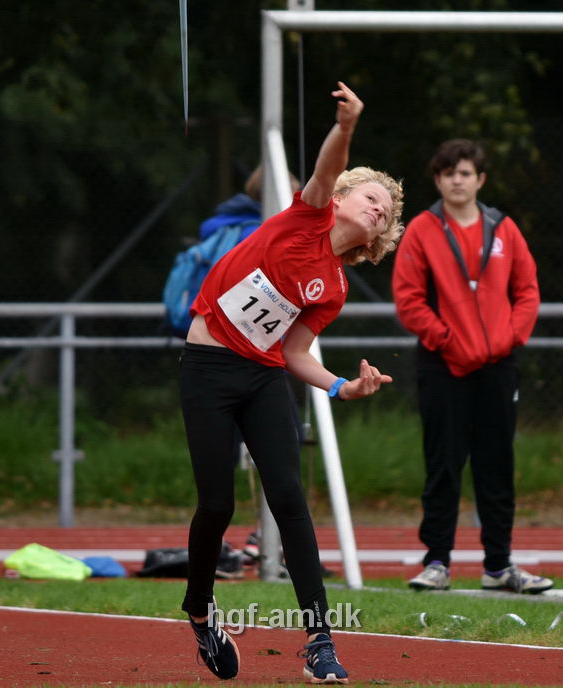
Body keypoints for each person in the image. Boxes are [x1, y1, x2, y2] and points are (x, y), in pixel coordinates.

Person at [180, 81, 404, 682]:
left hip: (263, 376)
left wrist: (339, 387)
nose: (378, 207)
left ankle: (321, 641)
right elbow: (328, 166)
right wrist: (347, 126)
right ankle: (200, 614)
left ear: (379, 237)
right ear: (346, 195)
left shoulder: (334, 288)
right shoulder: (308, 213)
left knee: (290, 500)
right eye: (371, 196)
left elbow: (296, 350)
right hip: (208, 368)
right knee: (218, 504)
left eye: (385, 210)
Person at [392, 139, 553, 595]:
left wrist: (507, 338)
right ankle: (437, 562)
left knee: (496, 465)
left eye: (464, 173)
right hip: (443, 366)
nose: (456, 181)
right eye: (448, 173)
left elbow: (527, 291)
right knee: (443, 464)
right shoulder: (423, 230)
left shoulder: (503, 228)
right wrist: (447, 340)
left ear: (480, 179)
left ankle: (499, 565)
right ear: (437, 179)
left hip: (498, 365)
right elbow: (408, 300)